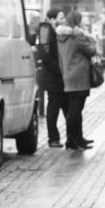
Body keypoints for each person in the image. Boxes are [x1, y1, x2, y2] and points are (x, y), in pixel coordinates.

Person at [56, 11, 96, 149]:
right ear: (77, 21)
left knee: (72, 110)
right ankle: (76, 140)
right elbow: (91, 51)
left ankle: (73, 139)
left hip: (68, 75)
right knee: (76, 111)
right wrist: (89, 36)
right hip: (80, 77)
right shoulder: (78, 35)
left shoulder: (61, 36)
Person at [37, 8, 68, 148]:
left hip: (58, 77)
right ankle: (53, 138)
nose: (63, 20)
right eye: (61, 17)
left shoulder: (53, 30)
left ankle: (71, 137)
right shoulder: (45, 29)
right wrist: (59, 70)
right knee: (53, 108)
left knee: (65, 107)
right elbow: (45, 55)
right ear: (53, 19)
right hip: (52, 77)